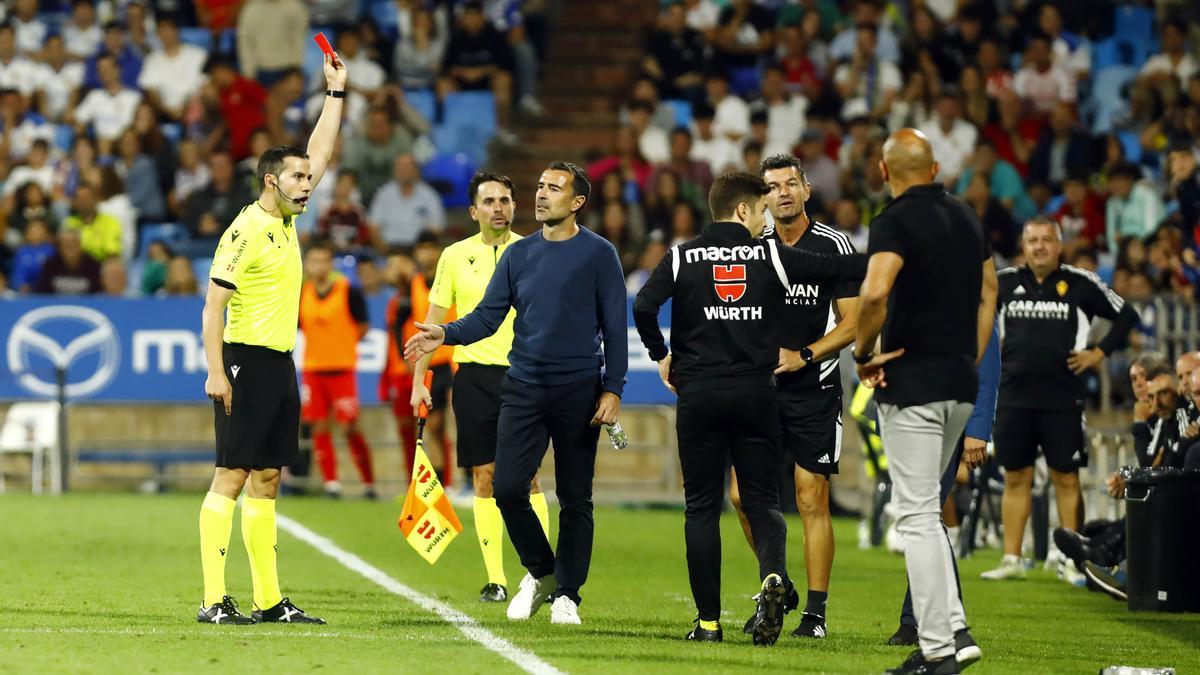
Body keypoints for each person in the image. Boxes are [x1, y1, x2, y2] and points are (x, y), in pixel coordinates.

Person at [633, 172, 866, 644]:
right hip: (757, 393)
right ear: (743, 211)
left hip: (699, 395)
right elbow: (836, 269)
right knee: (761, 500)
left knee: (701, 508)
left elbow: (642, 306)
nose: (765, 217)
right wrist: (902, 260)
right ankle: (774, 576)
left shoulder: (680, 256)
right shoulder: (769, 254)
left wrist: (663, 356)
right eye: (760, 209)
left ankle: (708, 624)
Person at [404, 161, 626, 627]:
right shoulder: (519, 256)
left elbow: (614, 330)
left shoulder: (600, 254)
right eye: (540, 186)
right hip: (523, 386)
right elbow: (486, 317)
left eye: (554, 188)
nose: (541, 195)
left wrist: (613, 389)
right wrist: (442, 334)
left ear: (577, 202)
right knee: (506, 489)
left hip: (578, 389)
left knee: (575, 497)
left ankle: (568, 594)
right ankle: (542, 572)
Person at [196, 51, 346, 626]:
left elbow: (323, 149)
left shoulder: (285, 221)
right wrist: (215, 370)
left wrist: (334, 93)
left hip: (279, 363)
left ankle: (268, 601)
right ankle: (212, 600)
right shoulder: (246, 231)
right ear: (270, 182)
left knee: (267, 477)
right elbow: (213, 307)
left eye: (308, 177)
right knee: (231, 476)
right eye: (299, 178)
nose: (309, 183)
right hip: (244, 363)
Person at [852, 129, 996, 675]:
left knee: (911, 515)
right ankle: (953, 629)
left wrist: (865, 351)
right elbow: (989, 293)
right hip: (961, 381)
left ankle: (939, 650)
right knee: (926, 513)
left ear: (885, 172)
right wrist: (969, 357)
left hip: (912, 381)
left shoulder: (894, 219)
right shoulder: (967, 218)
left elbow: (875, 289)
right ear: (935, 168)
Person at [723, 155, 859, 641]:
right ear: (762, 198)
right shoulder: (750, 243)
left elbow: (856, 322)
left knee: (810, 498)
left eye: (790, 184)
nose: (782, 193)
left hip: (814, 388)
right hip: (758, 389)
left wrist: (805, 354)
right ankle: (775, 585)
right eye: (772, 186)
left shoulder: (834, 245)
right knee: (740, 495)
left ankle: (816, 616)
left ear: (805, 190)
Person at [409, 172, 550, 603]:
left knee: (528, 477)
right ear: (474, 211)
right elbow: (433, 323)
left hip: (523, 375)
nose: (498, 208)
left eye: (505, 200)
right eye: (489, 201)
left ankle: (539, 573)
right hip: (472, 378)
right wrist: (420, 380)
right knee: (483, 476)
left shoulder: (534, 251)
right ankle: (496, 578)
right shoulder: (454, 256)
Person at [982, 217, 1138, 582]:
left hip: (1063, 398)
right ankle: (1011, 558)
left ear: (1059, 245)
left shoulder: (1082, 283)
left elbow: (1127, 315)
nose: (1039, 246)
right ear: (1023, 245)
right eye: (1032, 240)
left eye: (1047, 240)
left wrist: (1099, 352)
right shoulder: (1003, 282)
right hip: (1013, 396)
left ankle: (1074, 560)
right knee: (1015, 477)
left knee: (1065, 477)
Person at [298, 241, 376, 500]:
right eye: (313, 261)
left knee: (351, 426)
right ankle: (331, 484)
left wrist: (342, 342)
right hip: (313, 368)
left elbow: (363, 326)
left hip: (342, 368)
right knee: (319, 426)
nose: (318, 266)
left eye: (323, 260)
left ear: (330, 263)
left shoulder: (348, 290)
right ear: (307, 265)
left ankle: (368, 482)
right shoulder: (302, 293)